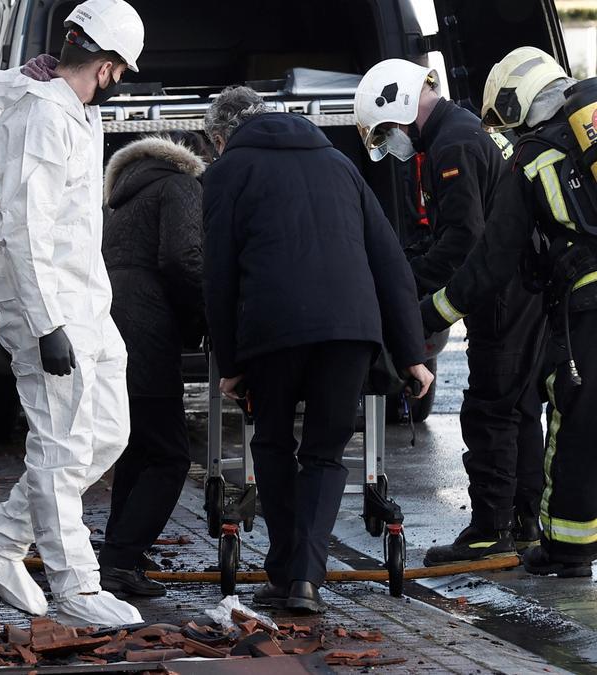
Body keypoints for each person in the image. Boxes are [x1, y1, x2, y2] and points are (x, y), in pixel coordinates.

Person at [203, 86, 433, 614]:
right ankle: (305, 577)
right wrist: (410, 353)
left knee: (275, 444)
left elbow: (218, 276)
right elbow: (389, 261)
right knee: (326, 455)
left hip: (273, 330)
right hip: (349, 332)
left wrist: (232, 364)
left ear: (221, 137)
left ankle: (286, 570)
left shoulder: (226, 172)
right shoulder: (338, 163)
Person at [0, 0, 147, 627]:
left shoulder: (72, 110)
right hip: (47, 308)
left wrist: (22, 75)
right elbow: (25, 229)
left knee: (108, 432)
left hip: (88, 302)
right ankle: (77, 587)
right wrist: (46, 325)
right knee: (61, 445)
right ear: (113, 66)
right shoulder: (39, 114)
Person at [354, 59, 546, 564]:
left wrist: (405, 291)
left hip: (501, 295)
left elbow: (463, 239)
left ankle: (490, 532)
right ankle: (525, 523)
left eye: (387, 131)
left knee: (490, 410)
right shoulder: (458, 131)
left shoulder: (452, 145)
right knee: (521, 407)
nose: (391, 143)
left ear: (397, 106)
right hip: (522, 288)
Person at [421, 47, 597, 578]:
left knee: (575, 418)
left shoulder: (532, 157)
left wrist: (431, 312)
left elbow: (491, 261)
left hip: (589, 300)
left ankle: (566, 550)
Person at [97, 130, 211, 597]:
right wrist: (204, 318)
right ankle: (120, 560)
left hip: (112, 319)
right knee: (169, 455)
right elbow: (184, 256)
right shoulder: (180, 184)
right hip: (146, 326)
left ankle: (121, 550)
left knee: (136, 449)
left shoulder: (124, 195)